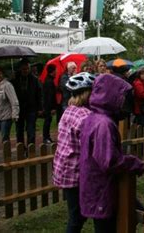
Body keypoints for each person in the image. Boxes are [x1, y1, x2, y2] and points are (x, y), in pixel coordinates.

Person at [79, 74, 144, 233]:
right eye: (121, 96)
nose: (124, 101)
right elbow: (108, 161)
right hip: (101, 188)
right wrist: (133, 163)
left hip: (97, 186)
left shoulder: (93, 117)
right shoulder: (103, 124)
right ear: (111, 95)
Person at [53, 72, 95, 233]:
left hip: (63, 168)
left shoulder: (69, 110)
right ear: (87, 94)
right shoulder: (86, 116)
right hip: (75, 171)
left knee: (77, 213)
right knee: (76, 217)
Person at [0, 68, 19, 163]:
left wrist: (15, 114)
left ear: (3, 75)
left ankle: (7, 158)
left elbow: (14, 100)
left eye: (0, 74)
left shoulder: (7, 85)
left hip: (6, 117)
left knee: (5, 138)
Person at [12, 60, 43, 147]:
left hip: (31, 108)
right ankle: (21, 148)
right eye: (23, 69)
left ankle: (31, 148)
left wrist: (40, 108)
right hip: (19, 108)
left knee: (31, 129)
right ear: (20, 69)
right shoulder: (15, 79)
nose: (25, 70)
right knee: (19, 130)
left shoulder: (34, 79)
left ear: (29, 69)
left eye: (27, 69)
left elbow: (39, 94)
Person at [42, 64, 58, 144]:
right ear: (53, 71)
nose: (56, 71)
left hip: (48, 105)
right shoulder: (49, 81)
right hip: (48, 106)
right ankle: (46, 137)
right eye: (55, 70)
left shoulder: (49, 80)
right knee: (47, 121)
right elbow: (50, 96)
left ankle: (47, 137)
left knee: (48, 121)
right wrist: (52, 107)